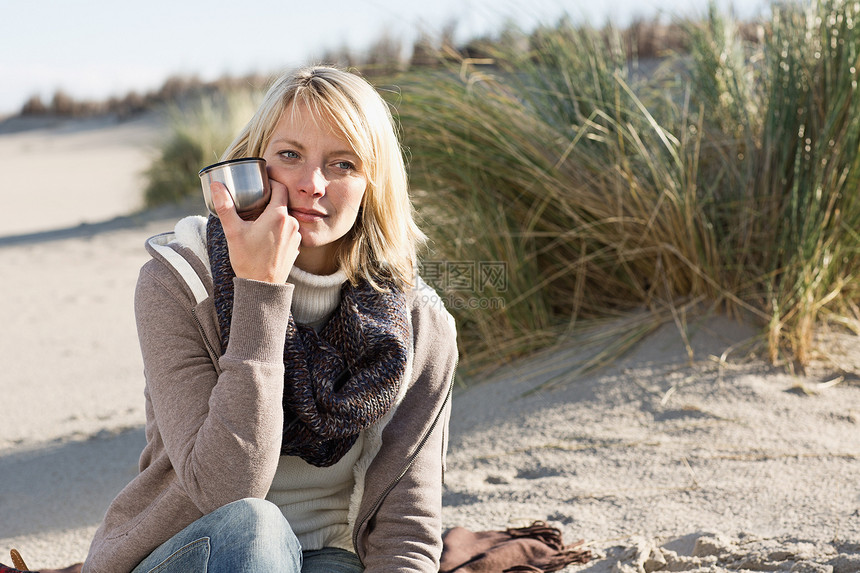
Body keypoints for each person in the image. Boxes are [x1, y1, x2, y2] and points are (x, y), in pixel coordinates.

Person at [82, 66, 458, 573]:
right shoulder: (180, 283)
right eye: (289, 155)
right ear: (253, 164)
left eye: (342, 163)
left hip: (328, 555)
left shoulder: (420, 325)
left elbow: (407, 528)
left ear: (374, 184)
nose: (312, 184)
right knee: (257, 527)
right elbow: (226, 490)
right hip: (194, 548)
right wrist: (260, 289)